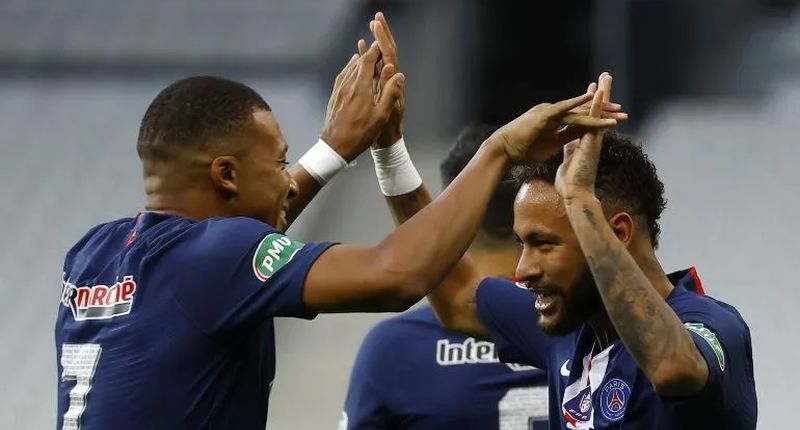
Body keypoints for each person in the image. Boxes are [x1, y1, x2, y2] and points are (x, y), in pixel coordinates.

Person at [54, 13, 618, 429]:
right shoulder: (215, 259)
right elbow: (397, 275)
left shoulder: (93, 253)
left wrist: (336, 149)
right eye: (280, 164)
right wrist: (499, 151)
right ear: (225, 174)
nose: (288, 180)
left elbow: (231, 239)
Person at [379, 73, 757, 429]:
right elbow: (457, 294)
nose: (523, 269)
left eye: (543, 244)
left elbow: (673, 368)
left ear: (617, 234)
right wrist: (390, 151)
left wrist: (579, 197)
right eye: (522, 244)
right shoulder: (573, 328)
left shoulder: (712, 324)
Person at [341, 124, 549, 430]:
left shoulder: (394, 347)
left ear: (452, 213)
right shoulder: (585, 327)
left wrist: (388, 150)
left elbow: (459, 298)